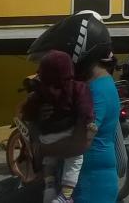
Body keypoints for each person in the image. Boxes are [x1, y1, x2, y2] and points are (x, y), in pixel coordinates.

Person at [33, 12, 121, 203]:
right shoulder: (100, 84)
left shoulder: (95, 91)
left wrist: (41, 149)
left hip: (90, 186)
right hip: (85, 181)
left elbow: (79, 144)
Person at [22, 50, 93, 203]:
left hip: (46, 136)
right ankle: (66, 195)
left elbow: (28, 112)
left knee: (49, 160)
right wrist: (88, 121)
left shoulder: (41, 90)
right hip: (67, 133)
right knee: (74, 160)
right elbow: (85, 108)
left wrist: (35, 115)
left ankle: (49, 187)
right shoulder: (77, 88)